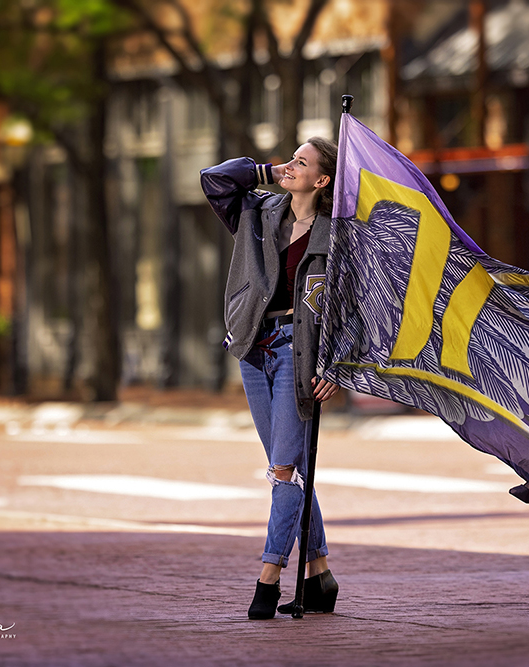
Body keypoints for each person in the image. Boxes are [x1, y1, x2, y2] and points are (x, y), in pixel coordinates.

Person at [200, 138, 340, 620]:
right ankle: (319, 572)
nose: (291, 165)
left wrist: (335, 368)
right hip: (252, 350)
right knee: (291, 467)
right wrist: (268, 169)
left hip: (299, 354)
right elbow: (214, 179)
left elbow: (352, 309)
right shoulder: (257, 211)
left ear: (322, 181)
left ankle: (268, 578)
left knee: (283, 470)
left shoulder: (336, 236)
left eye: (302, 162)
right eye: (292, 158)